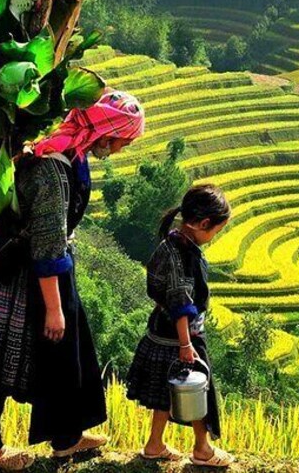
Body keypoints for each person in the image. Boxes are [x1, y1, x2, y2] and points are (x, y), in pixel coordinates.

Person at [0, 88, 145, 470]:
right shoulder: (50, 169)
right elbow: (45, 244)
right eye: (123, 141)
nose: (122, 148)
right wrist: (55, 308)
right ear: (107, 134)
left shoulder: (71, 154)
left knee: (65, 357)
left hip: (50, 270)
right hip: (26, 276)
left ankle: (67, 437)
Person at [125, 183, 235, 468]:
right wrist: (187, 344)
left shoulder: (172, 243)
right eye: (216, 231)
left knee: (165, 391)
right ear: (204, 223)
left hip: (161, 330)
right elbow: (179, 302)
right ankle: (202, 449)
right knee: (198, 388)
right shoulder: (180, 255)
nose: (213, 237)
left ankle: (154, 444)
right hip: (182, 336)